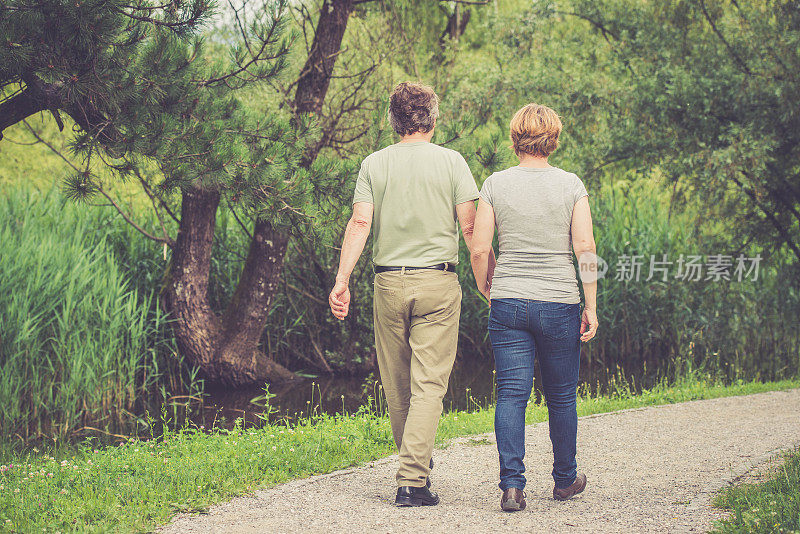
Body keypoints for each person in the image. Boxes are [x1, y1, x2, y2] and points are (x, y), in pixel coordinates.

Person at [329, 81, 493, 507]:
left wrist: (342, 279)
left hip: (388, 282)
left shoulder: (373, 163)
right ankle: (412, 480)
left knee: (398, 382)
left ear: (393, 121)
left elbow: (361, 224)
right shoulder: (453, 162)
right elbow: (472, 229)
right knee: (429, 383)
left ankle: (413, 461)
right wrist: (485, 282)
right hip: (438, 282)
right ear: (432, 119)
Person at [470, 103, 599, 512]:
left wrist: (486, 287)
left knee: (511, 394)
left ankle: (512, 487)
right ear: (553, 139)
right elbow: (586, 248)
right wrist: (590, 305)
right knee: (561, 397)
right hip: (559, 300)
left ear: (515, 138)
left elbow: (478, 246)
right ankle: (564, 481)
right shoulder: (571, 185)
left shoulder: (495, 184)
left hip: (508, 299)